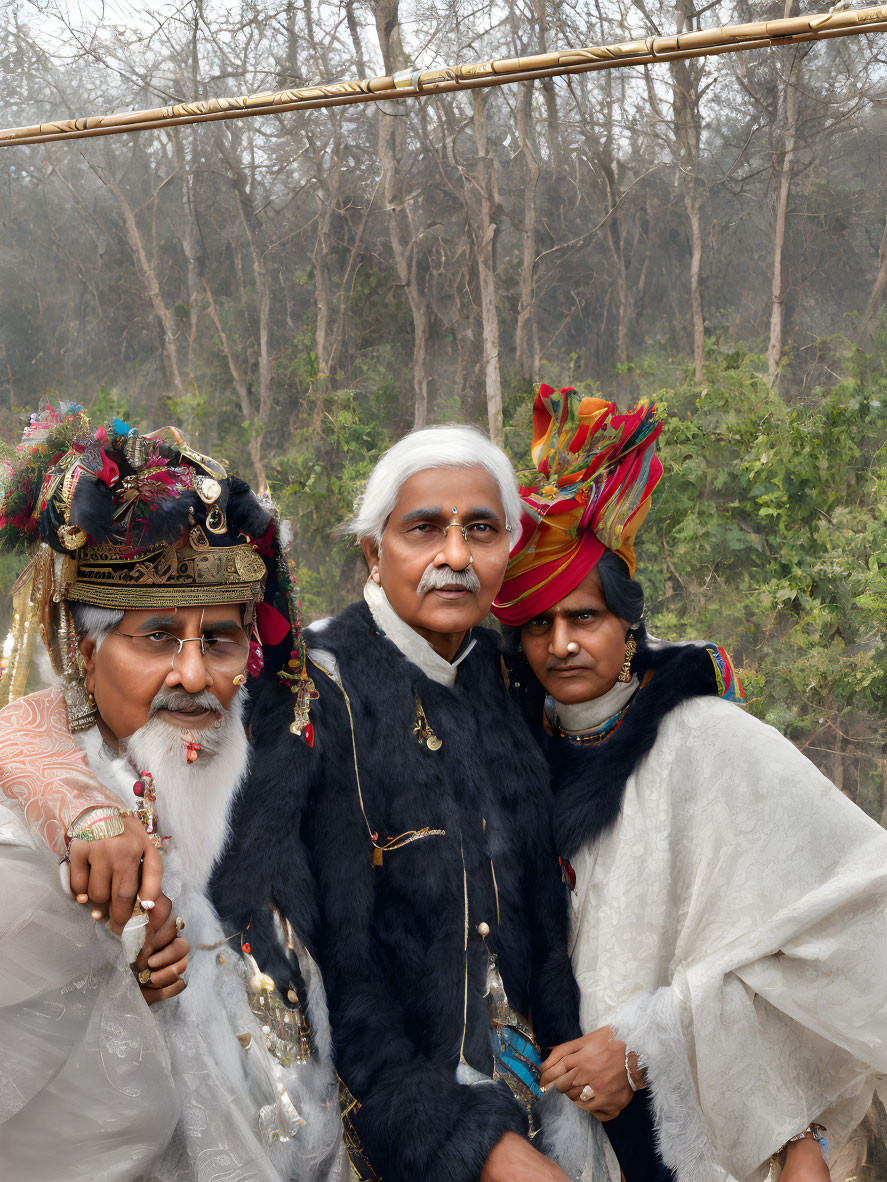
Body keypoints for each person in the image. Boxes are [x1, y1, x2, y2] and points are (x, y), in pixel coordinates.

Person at [491, 384, 887, 1182]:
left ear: (628, 623)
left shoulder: (711, 742)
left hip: (718, 1134)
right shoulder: (506, 761)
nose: (561, 644)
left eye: (584, 618)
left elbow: (856, 911)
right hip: (559, 1136)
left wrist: (643, 1042)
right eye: (538, 624)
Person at [211, 426, 592, 1182]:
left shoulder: (511, 682)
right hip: (394, 1132)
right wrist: (460, 1141)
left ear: (506, 551)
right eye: (424, 529)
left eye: (480, 529)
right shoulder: (309, 693)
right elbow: (284, 953)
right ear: (373, 553)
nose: (455, 556)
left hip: (545, 1101)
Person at [0, 405, 345, 1181]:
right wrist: (111, 983)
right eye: (157, 637)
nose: (196, 678)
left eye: (219, 640)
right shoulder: (27, 840)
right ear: (84, 655)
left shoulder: (247, 779)